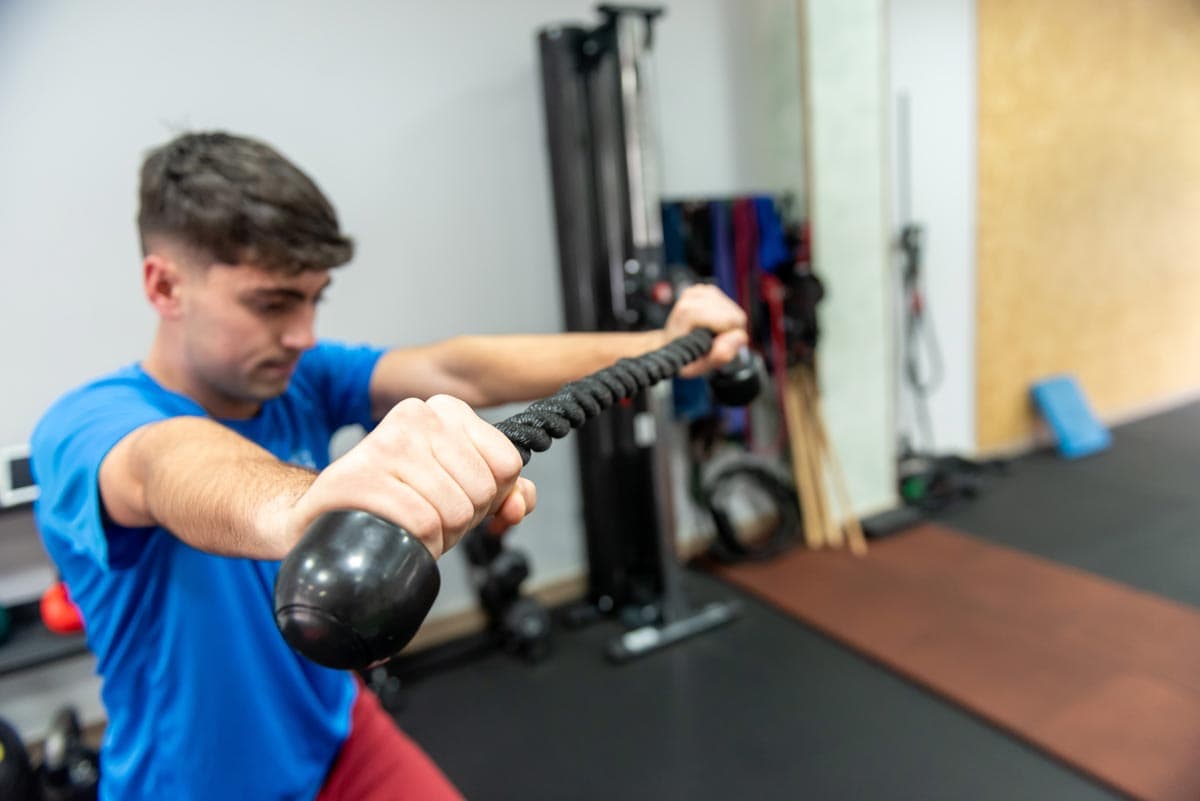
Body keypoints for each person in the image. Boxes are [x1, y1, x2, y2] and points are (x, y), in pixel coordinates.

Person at [30, 131, 748, 801]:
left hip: (339, 738)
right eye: (272, 303)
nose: (303, 333)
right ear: (164, 287)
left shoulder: (300, 376)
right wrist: (297, 507)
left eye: (314, 300)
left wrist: (664, 341)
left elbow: (456, 367)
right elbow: (164, 465)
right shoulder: (87, 425)